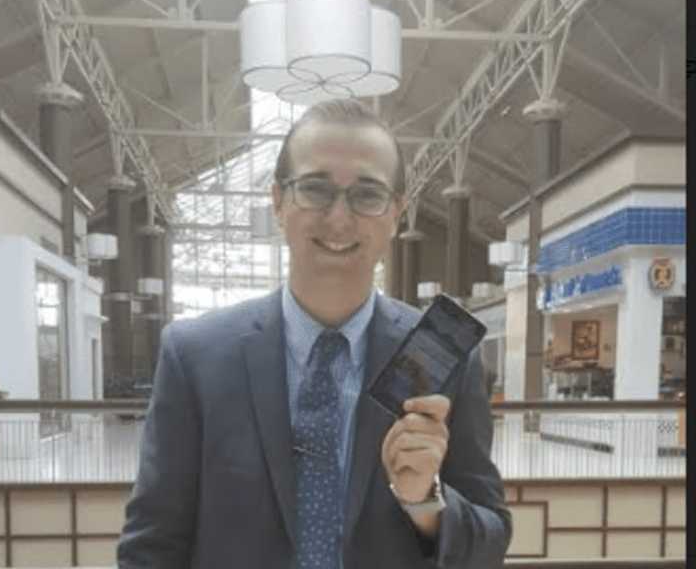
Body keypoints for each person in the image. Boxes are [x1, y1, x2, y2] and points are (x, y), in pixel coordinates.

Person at [118, 98, 512, 568]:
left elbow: (490, 542)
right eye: (315, 189)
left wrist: (425, 501)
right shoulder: (197, 355)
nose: (339, 218)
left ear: (396, 212)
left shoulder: (436, 351)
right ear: (279, 201)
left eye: (367, 194)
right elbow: (151, 547)